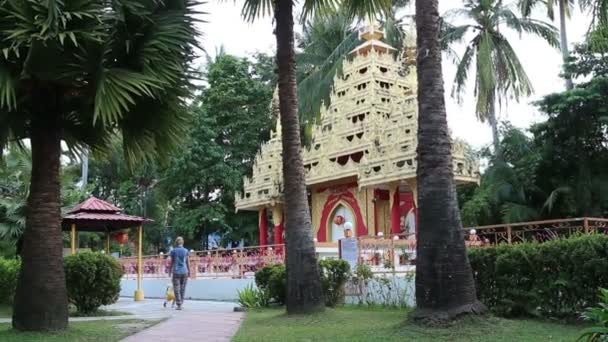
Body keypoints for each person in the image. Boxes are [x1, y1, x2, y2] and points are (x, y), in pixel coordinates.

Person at [169, 237, 190, 310]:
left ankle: (179, 304)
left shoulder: (173, 251)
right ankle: (181, 302)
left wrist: (169, 271)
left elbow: (171, 262)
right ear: (182, 242)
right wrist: (189, 271)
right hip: (185, 271)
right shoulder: (186, 251)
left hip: (176, 272)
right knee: (183, 288)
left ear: (176, 243)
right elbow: (187, 262)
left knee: (176, 289)